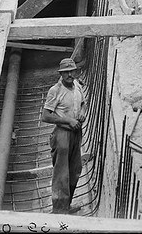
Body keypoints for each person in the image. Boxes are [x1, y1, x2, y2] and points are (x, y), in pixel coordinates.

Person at [41, 58, 86, 214]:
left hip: (76, 132)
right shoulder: (55, 91)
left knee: (75, 170)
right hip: (62, 134)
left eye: (71, 71)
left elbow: (82, 104)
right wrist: (68, 120)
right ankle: (59, 210)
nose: (69, 74)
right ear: (61, 73)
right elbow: (45, 116)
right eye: (66, 72)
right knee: (62, 174)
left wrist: (82, 114)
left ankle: (66, 205)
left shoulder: (78, 86)